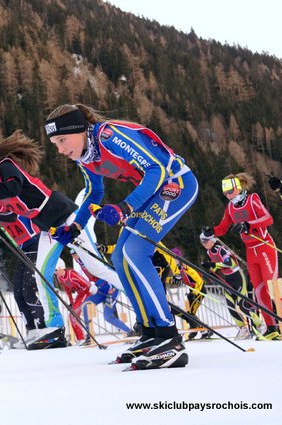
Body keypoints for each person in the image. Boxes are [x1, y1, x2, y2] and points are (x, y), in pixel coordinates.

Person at [45, 103, 197, 369]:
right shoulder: (86, 155)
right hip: (152, 194)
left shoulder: (108, 135)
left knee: (135, 252)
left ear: (78, 130)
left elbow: (156, 170)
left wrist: (125, 207)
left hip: (176, 184)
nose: (60, 149)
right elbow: (93, 193)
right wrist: (76, 227)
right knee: (120, 257)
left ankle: (168, 336)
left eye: (61, 140)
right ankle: (151, 332)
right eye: (55, 144)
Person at [0, 130, 79, 341]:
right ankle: (37, 329)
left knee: (34, 286)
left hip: (48, 227)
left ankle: (46, 327)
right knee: (20, 292)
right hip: (39, 233)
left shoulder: (6, 169)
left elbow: (5, 200)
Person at [202, 172, 282, 339]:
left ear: (238, 187)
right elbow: (223, 227)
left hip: (264, 247)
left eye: (229, 189)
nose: (226, 194)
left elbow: (267, 219)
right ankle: (271, 327)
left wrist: (248, 225)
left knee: (273, 288)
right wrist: (211, 231)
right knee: (259, 290)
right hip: (251, 251)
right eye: (224, 190)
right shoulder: (230, 207)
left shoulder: (252, 199)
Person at [199, 232, 262, 339]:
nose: (203, 243)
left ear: (211, 240)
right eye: (202, 241)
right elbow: (217, 266)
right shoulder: (209, 252)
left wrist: (214, 264)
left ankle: (259, 325)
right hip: (227, 278)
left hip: (237, 277)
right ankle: (243, 328)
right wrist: (210, 269)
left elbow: (229, 263)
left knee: (242, 304)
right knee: (230, 305)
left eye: (205, 241)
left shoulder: (220, 249)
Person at [152, 247, 210, 341]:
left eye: (175, 259)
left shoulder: (183, 267)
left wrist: (195, 292)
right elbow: (181, 279)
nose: (173, 261)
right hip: (194, 291)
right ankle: (198, 330)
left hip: (199, 291)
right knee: (191, 314)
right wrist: (170, 280)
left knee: (191, 314)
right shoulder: (178, 268)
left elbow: (196, 279)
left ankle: (203, 330)